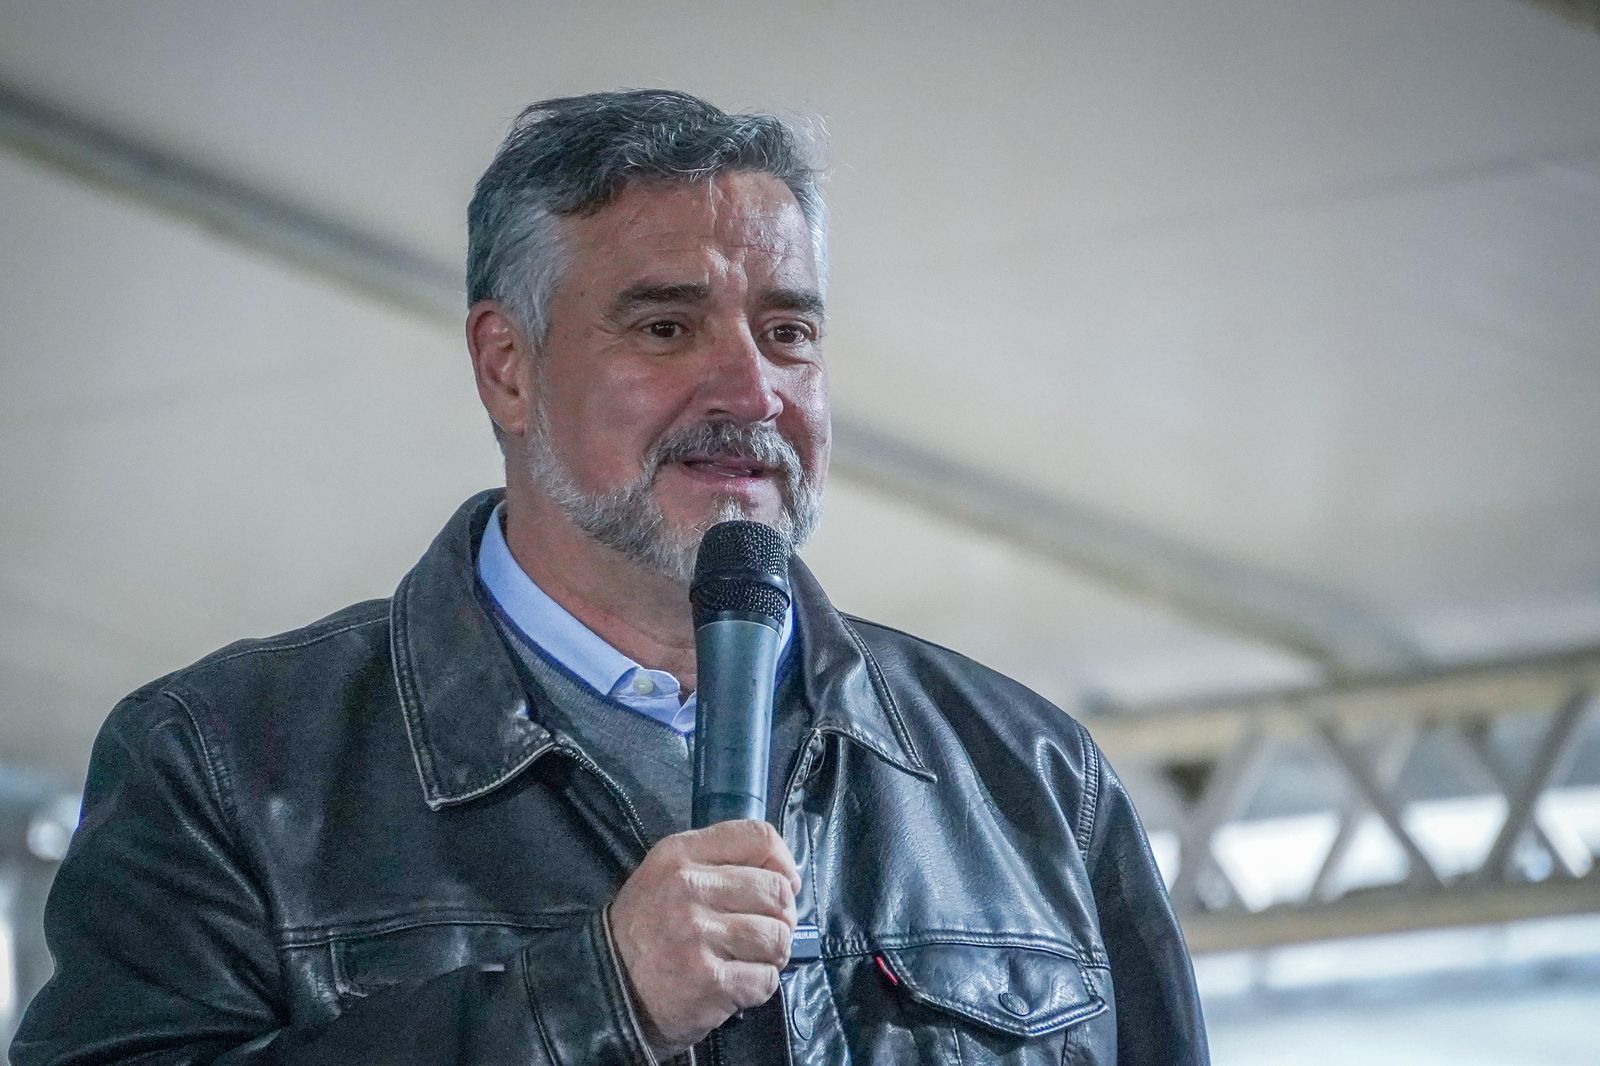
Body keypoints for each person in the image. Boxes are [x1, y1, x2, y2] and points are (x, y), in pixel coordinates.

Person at [13, 90, 1207, 1065]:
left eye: (789, 332)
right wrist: (594, 998)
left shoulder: (1030, 776)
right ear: (507, 367)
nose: (752, 390)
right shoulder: (228, 765)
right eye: (664, 328)